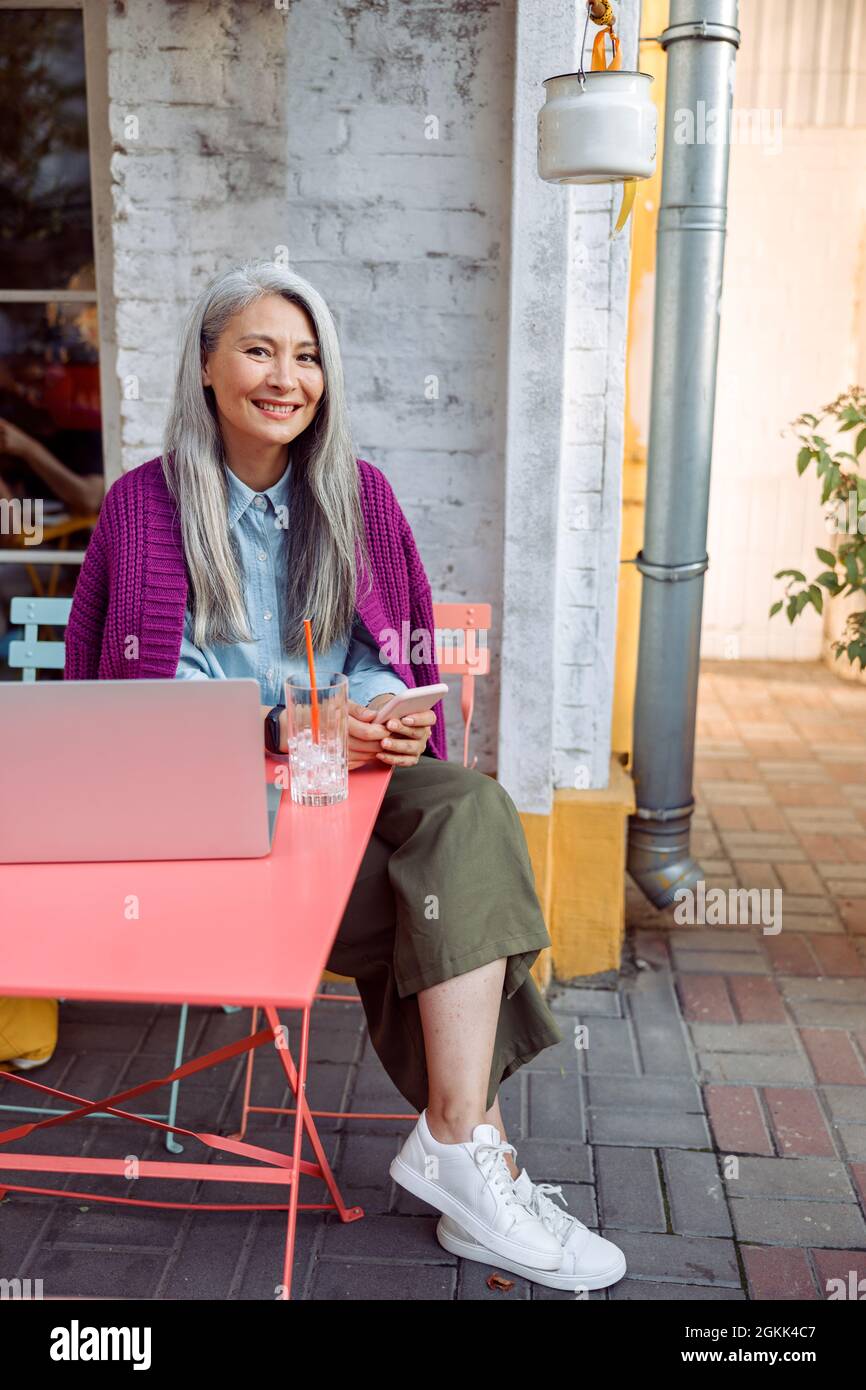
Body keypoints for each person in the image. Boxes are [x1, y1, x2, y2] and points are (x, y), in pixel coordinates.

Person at [63, 260, 626, 1291]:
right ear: (205, 365)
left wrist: (379, 711)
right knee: (449, 899)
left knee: (465, 809)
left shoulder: (356, 494)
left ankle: (454, 1141)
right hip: (212, 830)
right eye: (260, 349)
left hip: (344, 799)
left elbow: (389, 644)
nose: (288, 376)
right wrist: (277, 723)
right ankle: (472, 1155)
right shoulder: (144, 510)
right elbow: (125, 714)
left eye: (308, 354)